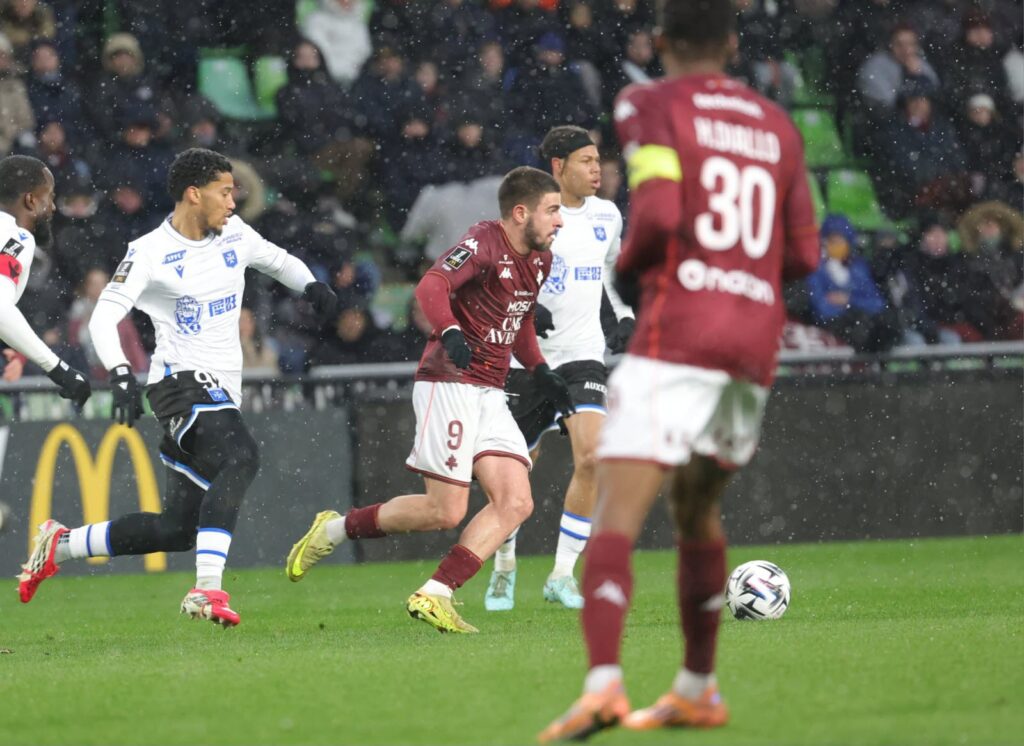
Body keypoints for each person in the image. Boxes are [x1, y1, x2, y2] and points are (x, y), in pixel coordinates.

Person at [539, 0, 819, 740]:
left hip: (681, 330)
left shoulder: (649, 104)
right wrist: (740, 272)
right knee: (697, 510)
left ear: (660, 41)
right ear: (732, 42)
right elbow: (803, 256)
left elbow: (659, 215)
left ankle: (603, 686)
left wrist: (631, 276)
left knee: (617, 509)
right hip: (752, 343)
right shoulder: (778, 125)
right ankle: (698, 688)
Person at [16, 148, 338, 627]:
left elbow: (279, 261)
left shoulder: (236, 234)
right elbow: (105, 316)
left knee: (177, 529)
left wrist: (312, 286)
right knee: (240, 457)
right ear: (194, 194)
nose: (233, 201)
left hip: (221, 391)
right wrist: (120, 372)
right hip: (179, 383)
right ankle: (207, 589)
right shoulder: (149, 252)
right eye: (224, 192)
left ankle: (60, 545)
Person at [286, 166, 575, 634]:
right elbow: (431, 285)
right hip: (450, 381)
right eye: (553, 210)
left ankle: (436, 592)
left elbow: (519, 319)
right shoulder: (483, 241)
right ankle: (334, 529)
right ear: (521, 213)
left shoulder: (541, 260)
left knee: (516, 501)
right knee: (445, 511)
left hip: (489, 391)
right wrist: (451, 330)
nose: (560, 220)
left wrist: (541, 371)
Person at [484, 126, 634, 612]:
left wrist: (624, 315)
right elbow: (497, 273)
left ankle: (562, 574)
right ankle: (504, 562)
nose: (597, 169)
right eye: (586, 161)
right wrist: (527, 306)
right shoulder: (529, 215)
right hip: (527, 359)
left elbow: (609, 270)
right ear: (558, 166)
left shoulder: (607, 215)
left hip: (583, 355)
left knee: (592, 457)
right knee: (514, 472)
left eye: (598, 160)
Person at [0, 154, 90, 402]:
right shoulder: (16, 237)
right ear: (31, 200)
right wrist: (58, 368)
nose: (52, 207)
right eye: (49, 196)